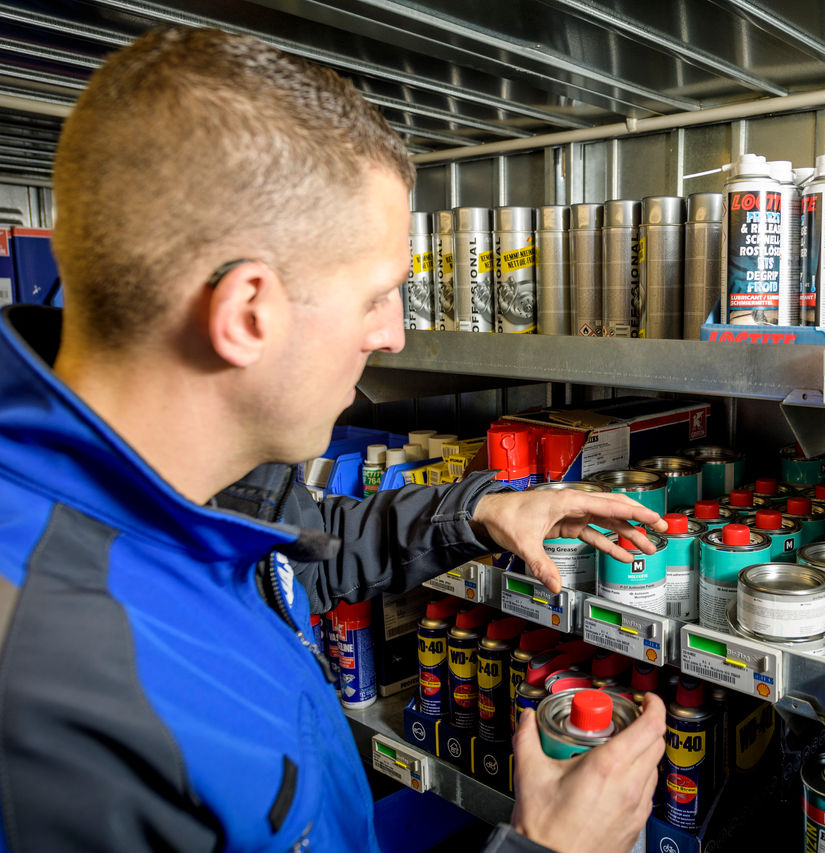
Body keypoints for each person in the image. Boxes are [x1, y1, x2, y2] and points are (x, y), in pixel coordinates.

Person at [0, 26, 667, 853]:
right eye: (377, 294)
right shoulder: (54, 708)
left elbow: (287, 555)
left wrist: (483, 510)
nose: (391, 334)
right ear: (250, 313)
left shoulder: (174, 483)